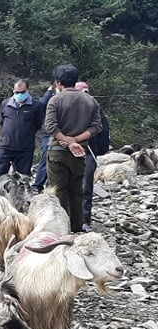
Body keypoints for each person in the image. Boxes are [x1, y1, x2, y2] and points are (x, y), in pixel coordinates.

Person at [44, 65, 103, 233]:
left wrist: (68, 141)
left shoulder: (55, 100)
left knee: (58, 191)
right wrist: (76, 140)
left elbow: (50, 127)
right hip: (80, 153)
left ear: (58, 83)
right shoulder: (90, 100)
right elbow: (96, 127)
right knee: (76, 191)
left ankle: (61, 229)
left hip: (58, 152)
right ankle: (77, 228)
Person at [0, 79, 45, 177]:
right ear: (13, 90)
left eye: (22, 92)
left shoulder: (36, 105)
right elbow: (2, 122)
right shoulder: (5, 104)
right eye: (17, 92)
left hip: (25, 149)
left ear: (28, 90)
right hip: (6, 146)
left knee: (22, 177)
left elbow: (38, 124)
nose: (19, 94)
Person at [76, 81, 110, 232]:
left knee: (86, 187)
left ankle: (84, 219)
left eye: (86, 93)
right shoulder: (67, 109)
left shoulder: (97, 110)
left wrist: (99, 150)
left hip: (89, 152)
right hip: (70, 151)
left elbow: (103, 131)